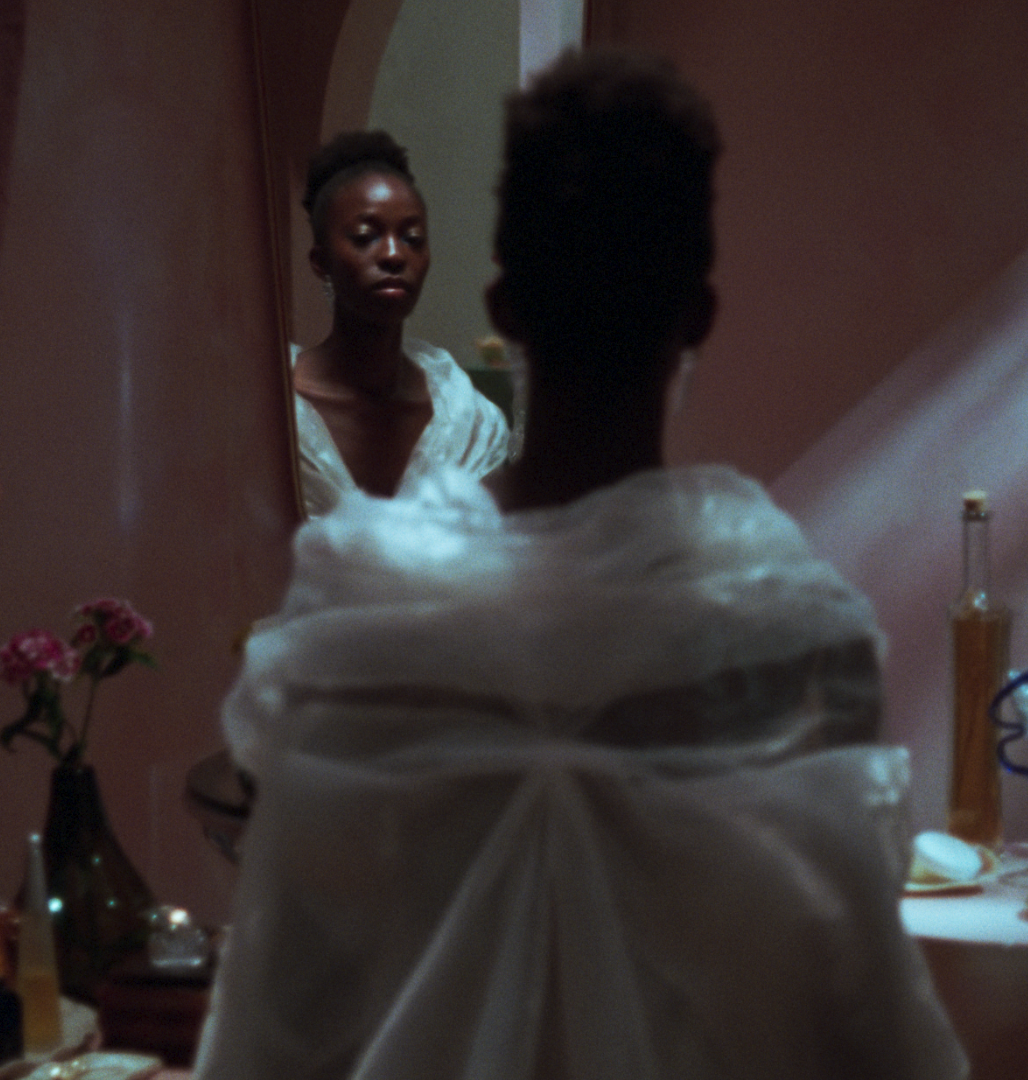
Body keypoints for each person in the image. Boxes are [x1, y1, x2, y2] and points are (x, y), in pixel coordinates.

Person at [194, 48, 965, 1079]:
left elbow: (285, 1021)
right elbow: (852, 1021)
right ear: (697, 317)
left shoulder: (366, 621)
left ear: (504, 306)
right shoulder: (787, 639)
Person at [290, 130, 510, 517]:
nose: (394, 254)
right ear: (320, 262)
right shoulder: (278, 410)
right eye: (365, 237)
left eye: (412, 238)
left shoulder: (469, 423)